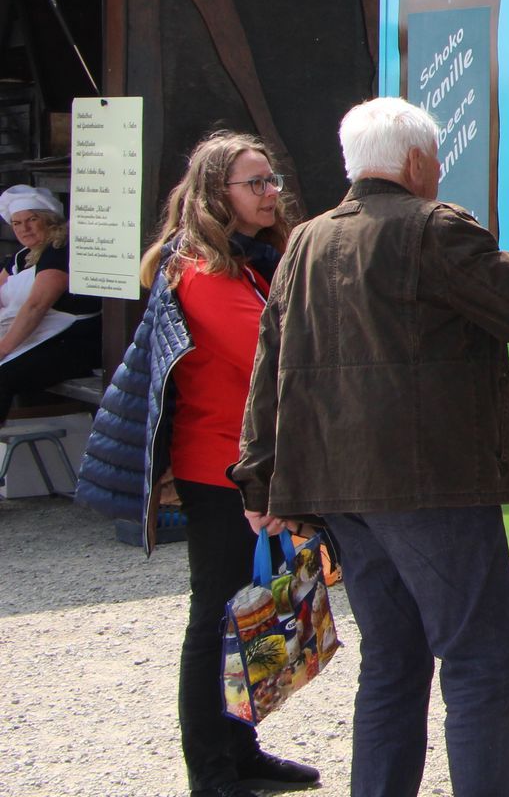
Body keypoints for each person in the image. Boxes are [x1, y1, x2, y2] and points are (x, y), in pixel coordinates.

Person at [231, 97, 509, 797]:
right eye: (435, 160)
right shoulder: (436, 228)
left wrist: (259, 478)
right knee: (477, 661)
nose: (438, 172)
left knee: (391, 662)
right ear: (415, 162)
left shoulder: (305, 241)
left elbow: (270, 367)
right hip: (433, 484)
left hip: (337, 487)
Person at [72, 134, 318, 797]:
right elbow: (274, 351)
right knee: (216, 617)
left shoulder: (251, 259)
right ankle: (210, 772)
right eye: (255, 183)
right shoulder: (204, 270)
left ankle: (241, 752)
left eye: (272, 179)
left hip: (248, 463)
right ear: (217, 194)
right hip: (221, 468)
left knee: (248, 612)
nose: (271, 192)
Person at [0, 185, 101, 425]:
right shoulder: (22, 257)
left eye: (32, 219)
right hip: (36, 337)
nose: (24, 228)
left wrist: (3, 349)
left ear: (49, 220)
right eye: (17, 223)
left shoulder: (59, 251)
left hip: (70, 345)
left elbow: (36, 307)